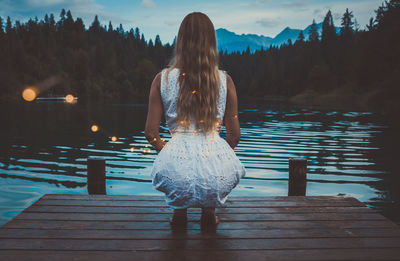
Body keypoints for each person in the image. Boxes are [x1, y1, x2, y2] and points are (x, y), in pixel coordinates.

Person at [144, 12, 245, 227]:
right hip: (218, 177)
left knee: (179, 175)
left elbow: (151, 134)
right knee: (214, 168)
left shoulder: (161, 79)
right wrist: (217, 159)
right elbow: (235, 136)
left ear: (181, 41)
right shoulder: (225, 81)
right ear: (211, 42)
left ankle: (179, 212)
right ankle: (209, 211)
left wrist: (172, 156)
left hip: (175, 173)